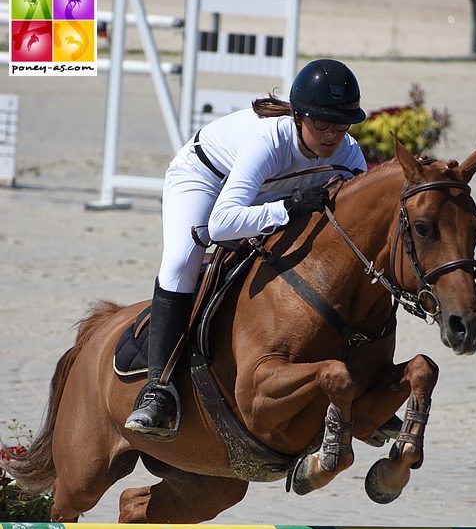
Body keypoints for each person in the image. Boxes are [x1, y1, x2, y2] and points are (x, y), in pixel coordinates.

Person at [125, 58, 368, 441]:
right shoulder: (269, 141)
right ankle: (159, 389)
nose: (331, 134)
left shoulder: (348, 152)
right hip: (206, 180)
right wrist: (287, 208)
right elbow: (221, 225)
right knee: (182, 260)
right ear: (299, 116)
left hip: (269, 189)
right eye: (320, 122)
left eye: (340, 124)